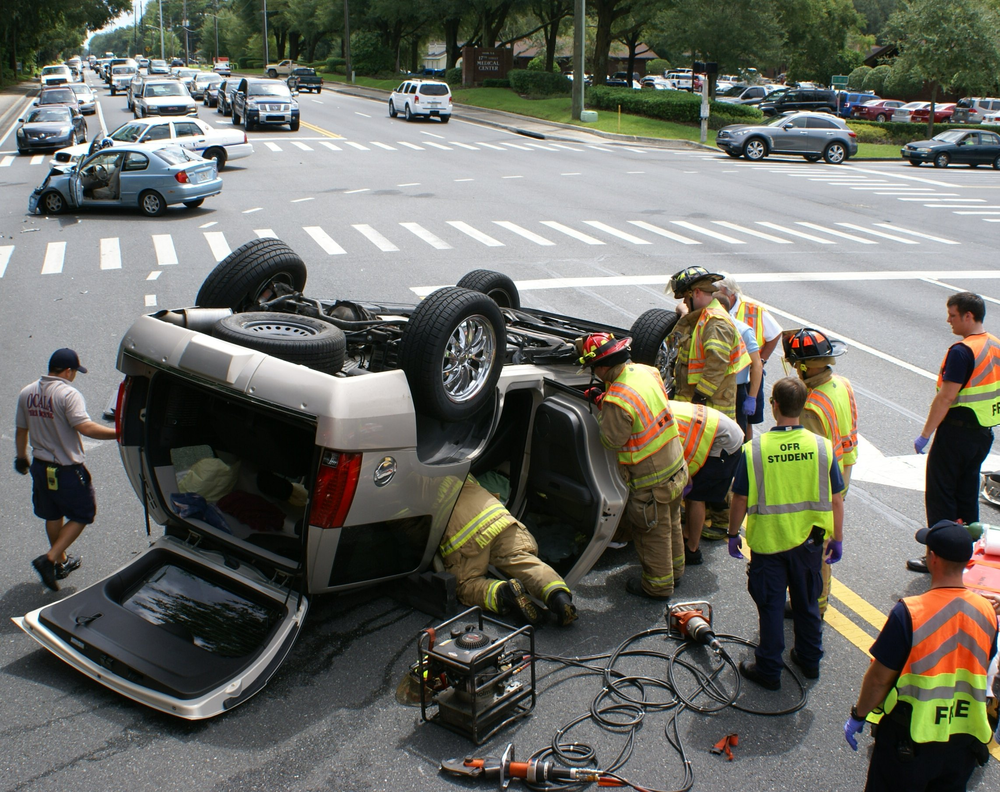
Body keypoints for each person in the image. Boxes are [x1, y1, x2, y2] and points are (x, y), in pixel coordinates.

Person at [845, 521, 998, 792]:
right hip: (962, 741)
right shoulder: (987, 612)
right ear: (968, 560)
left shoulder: (910, 613)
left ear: (933, 558)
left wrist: (859, 714)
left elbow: (879, 679)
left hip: (910, 739)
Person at [728, 376, 844, 689]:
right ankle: (809, 661)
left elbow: (739, 497)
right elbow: (836, 498)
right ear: (803, 405)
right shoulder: (822, 447)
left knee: (771, 606)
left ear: (774, 405)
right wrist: (838, 539)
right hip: (809, 542)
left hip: (769, 543)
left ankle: (769, 670)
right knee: (807, 604)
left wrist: (732, 533)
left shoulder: (755, 449)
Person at [577, 332, 689, 600]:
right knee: (671, 521)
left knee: (652, 533)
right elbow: (639, 411)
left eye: (594, 368)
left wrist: (605, 408)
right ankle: (675, 571)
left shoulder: (617, 398)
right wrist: (607, 400)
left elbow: (611, 440)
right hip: (675, 463)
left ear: (603, 366)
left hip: (651, 479)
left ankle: (658, 585)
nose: (596, 373)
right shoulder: (646, 372)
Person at [908, 292, 1000, 574]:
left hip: (955, 433)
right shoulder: (995, 344)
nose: (948, 320)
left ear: (968, 316)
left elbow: (946, 397)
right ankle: (969, 555)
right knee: (966, 494)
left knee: (941, 496)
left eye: (952, 315)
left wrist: (926, 434)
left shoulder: (962, 351)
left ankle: (939, 557)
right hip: (983, 433)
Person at [15, 349, 118, 591]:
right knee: (83, 514)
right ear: (69, 371)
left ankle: (61, 562)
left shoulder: (27, 392)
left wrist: (21, 457)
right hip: (66, 470)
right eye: (75, 372)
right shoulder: (68, 394)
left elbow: (21, 429)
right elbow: (86, 428)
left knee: (53, 514)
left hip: (40, 468)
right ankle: (49, 559)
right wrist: (119, 433)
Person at [783, 327, 859, 617]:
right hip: (845, 469)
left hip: (823, 486)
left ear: (802, 366)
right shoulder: (841, 384)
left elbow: (811, 459)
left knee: (815, 546)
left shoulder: (811, 406)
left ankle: (814, 603)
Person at [440, 474, 578, 626]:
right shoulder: (454, 467)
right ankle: (559, 596)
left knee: (467, 584)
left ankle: (504, 593)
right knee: (523, 560)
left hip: (465, 538)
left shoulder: (415, 489)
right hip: (500, 518)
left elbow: (419, 532)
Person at [667, 266, 750, 421]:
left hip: (710, 411)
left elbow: (717, 365)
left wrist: (700, 396)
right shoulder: (702, 318)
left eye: (685, 297)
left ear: (696, 292)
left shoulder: (715, 323)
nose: (684, 302)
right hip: (696, 407)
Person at [668, 400, 744, 566]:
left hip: (724, 443)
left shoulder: (664, 424)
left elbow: (680, 459)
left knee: (696, 496)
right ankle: (687, 535)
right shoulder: (661, 409)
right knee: (692, 493)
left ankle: (692, 550)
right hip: (719, 434)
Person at [716, 276, 783, 440]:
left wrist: (762, 360)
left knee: (745, 423)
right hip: (728, 379)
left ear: (729, 295)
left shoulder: (753, 310)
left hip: (748, 377)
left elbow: (775, 333)